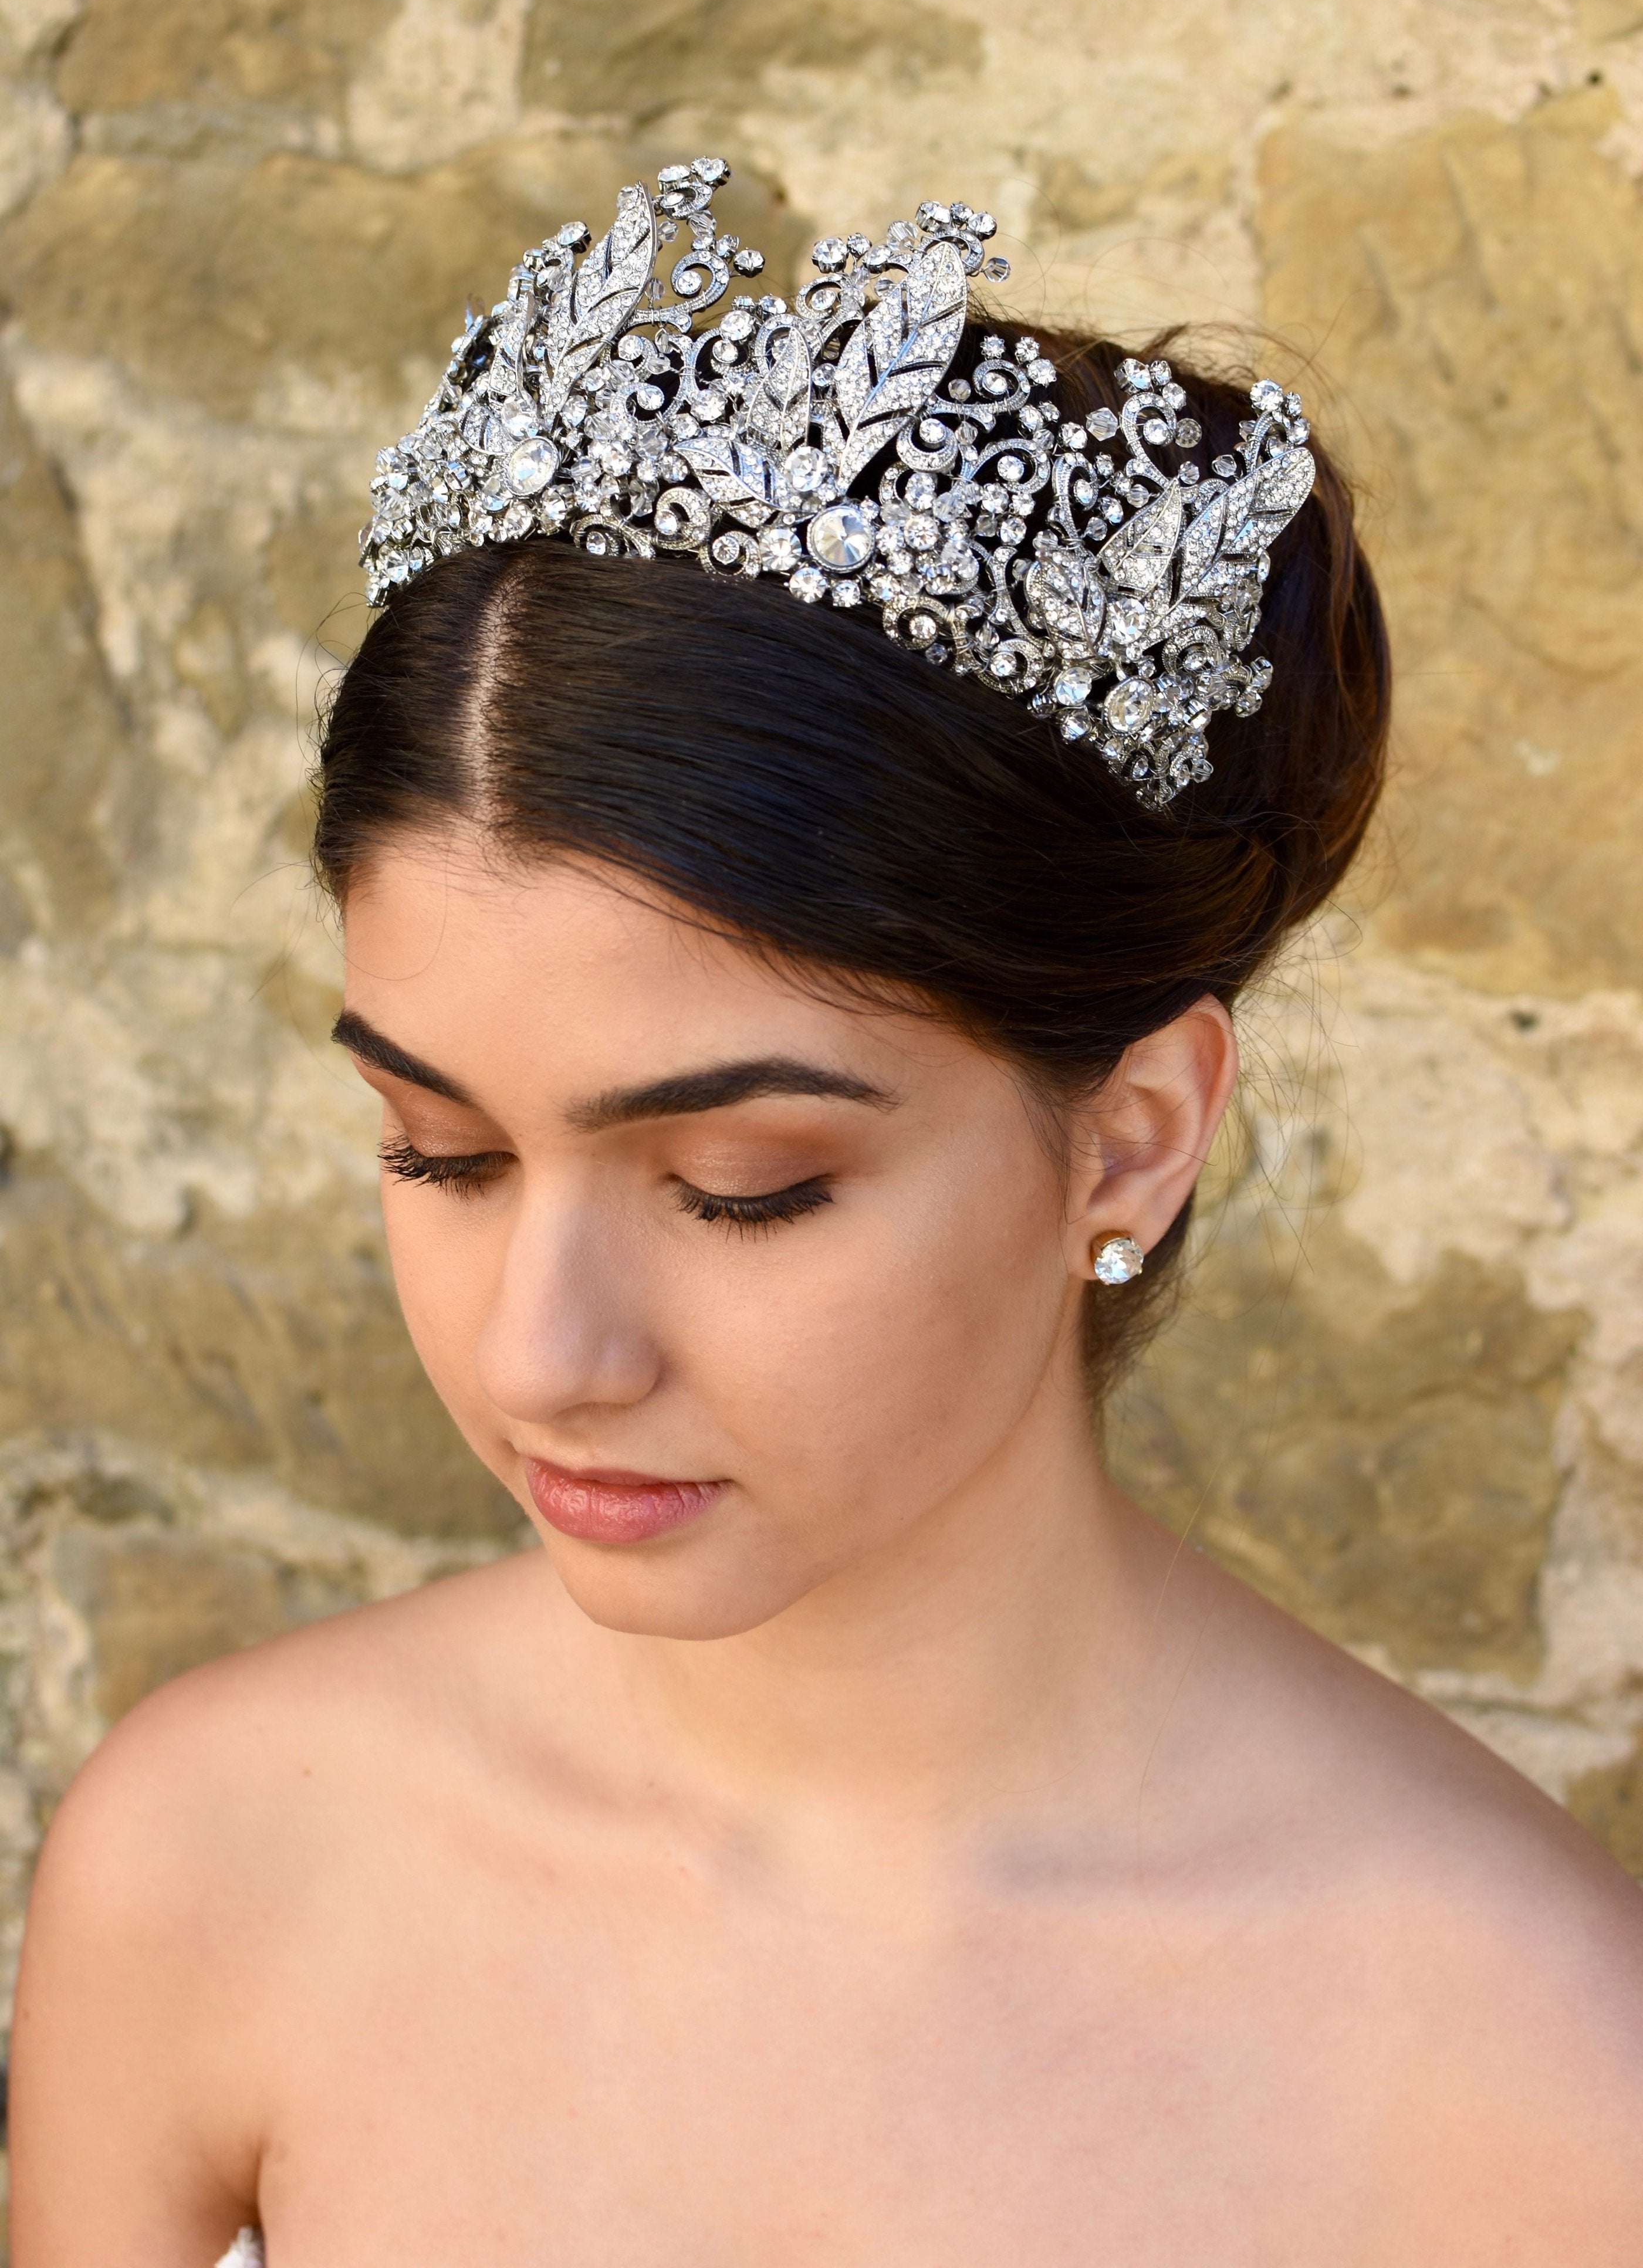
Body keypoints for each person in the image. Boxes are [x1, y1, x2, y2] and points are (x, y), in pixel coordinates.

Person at [11, 165, 1643, 2268]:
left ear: (1134, 1137)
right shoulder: (215, 1868)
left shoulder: (1528, 2079)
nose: (541, 1357)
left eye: (742, 1190)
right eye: (441, 1152)